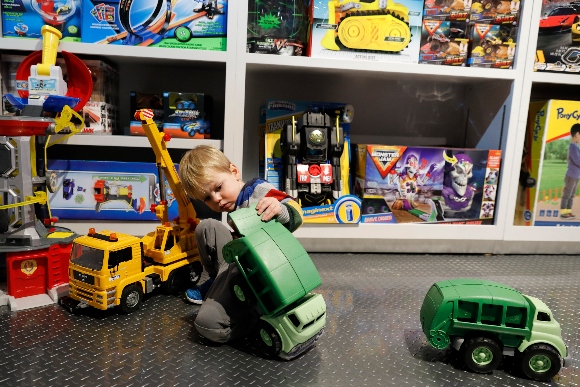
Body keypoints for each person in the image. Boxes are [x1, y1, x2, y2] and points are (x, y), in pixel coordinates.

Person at [178, 145, 303, 343]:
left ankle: (253, 316)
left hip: (262, 273)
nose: (216, 199)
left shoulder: (258, 191)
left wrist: (279, 208)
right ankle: (217, 282)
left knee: (207, 324)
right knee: (207, 227)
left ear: (234, 172)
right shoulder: (234, 203)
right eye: (207, 198)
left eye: (218, 188)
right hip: (240, 264)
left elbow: (294, 212)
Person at [560, 123, 580, 219]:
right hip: (571, 175)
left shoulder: (576, 147)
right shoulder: (572, 147)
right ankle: (564, 212)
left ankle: (568, 211)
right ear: (577, 135)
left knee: (572, 194)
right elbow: (577, 160)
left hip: (576, 176)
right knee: (567, 194)